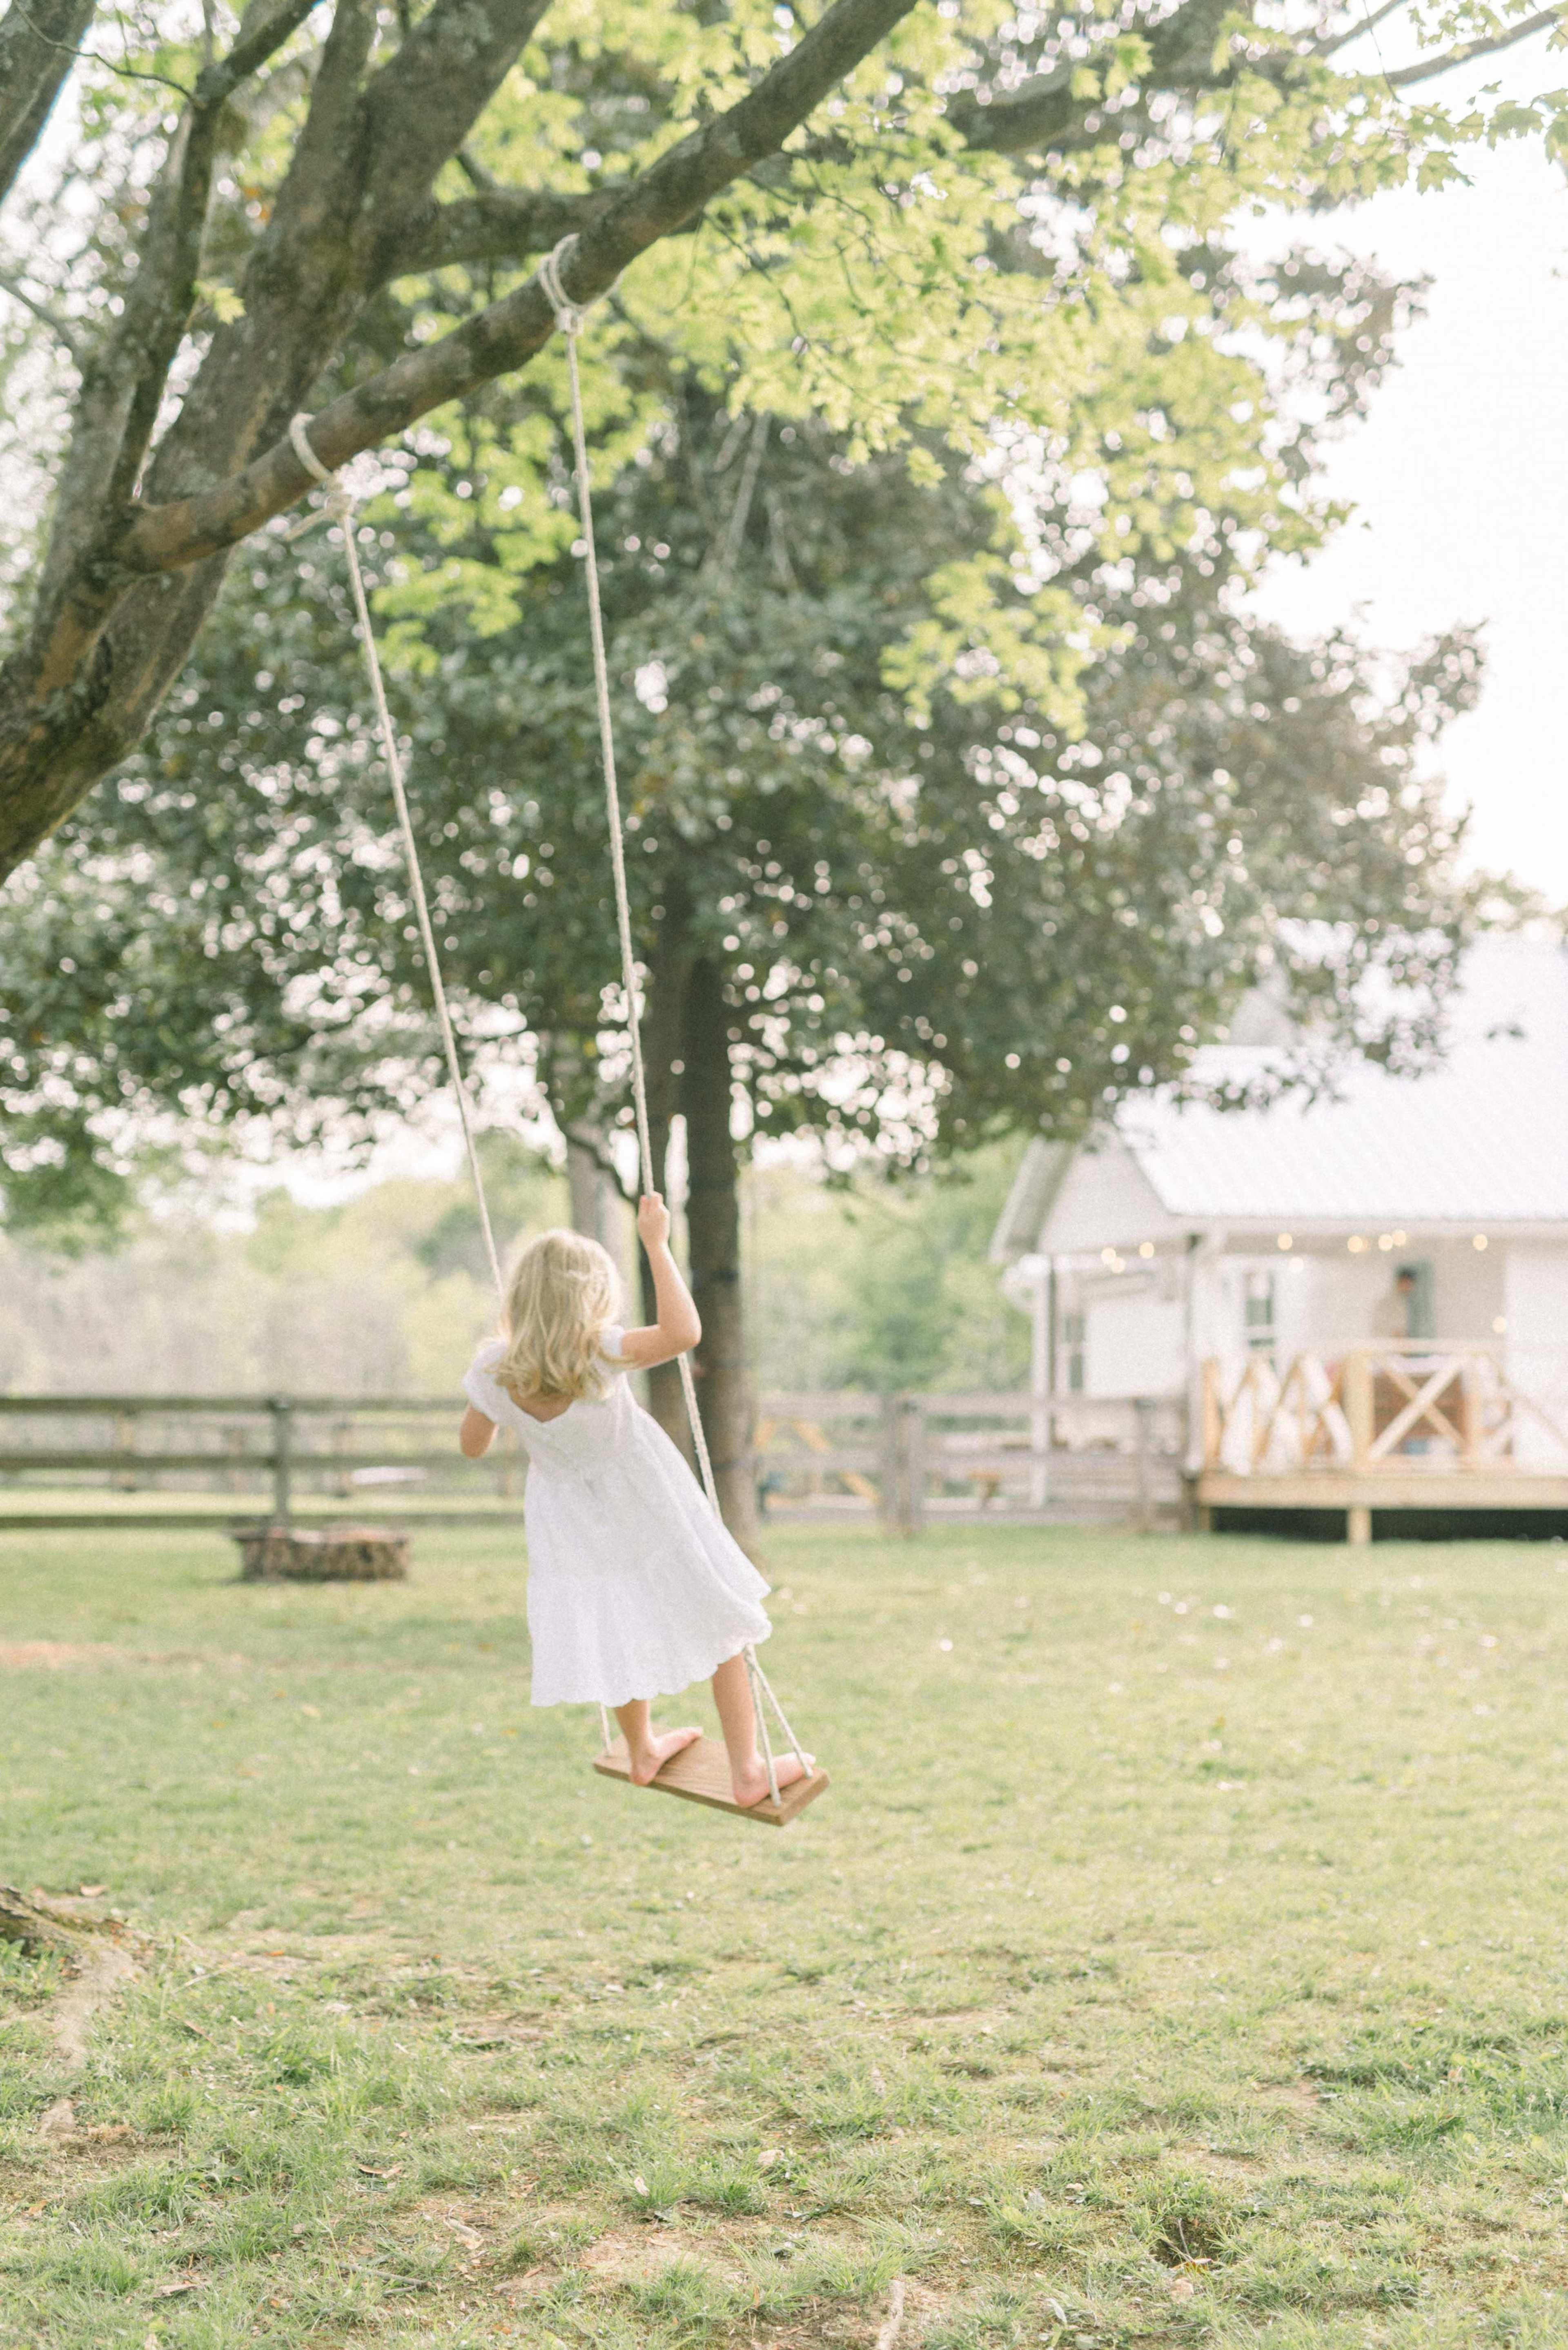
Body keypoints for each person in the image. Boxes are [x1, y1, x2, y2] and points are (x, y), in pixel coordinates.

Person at [458, 1193, 811, 1809]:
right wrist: (655, 1243)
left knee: (615, 1625)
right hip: (644, 1506)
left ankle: (642, 1746)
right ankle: (748, 1769)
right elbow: (684, 1333)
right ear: (591, 1298)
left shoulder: (496, 1368)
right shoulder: (601, 1352)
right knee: (719, 1618)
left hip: (570, 1523)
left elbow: (472, 1447)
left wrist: (497, 1402)